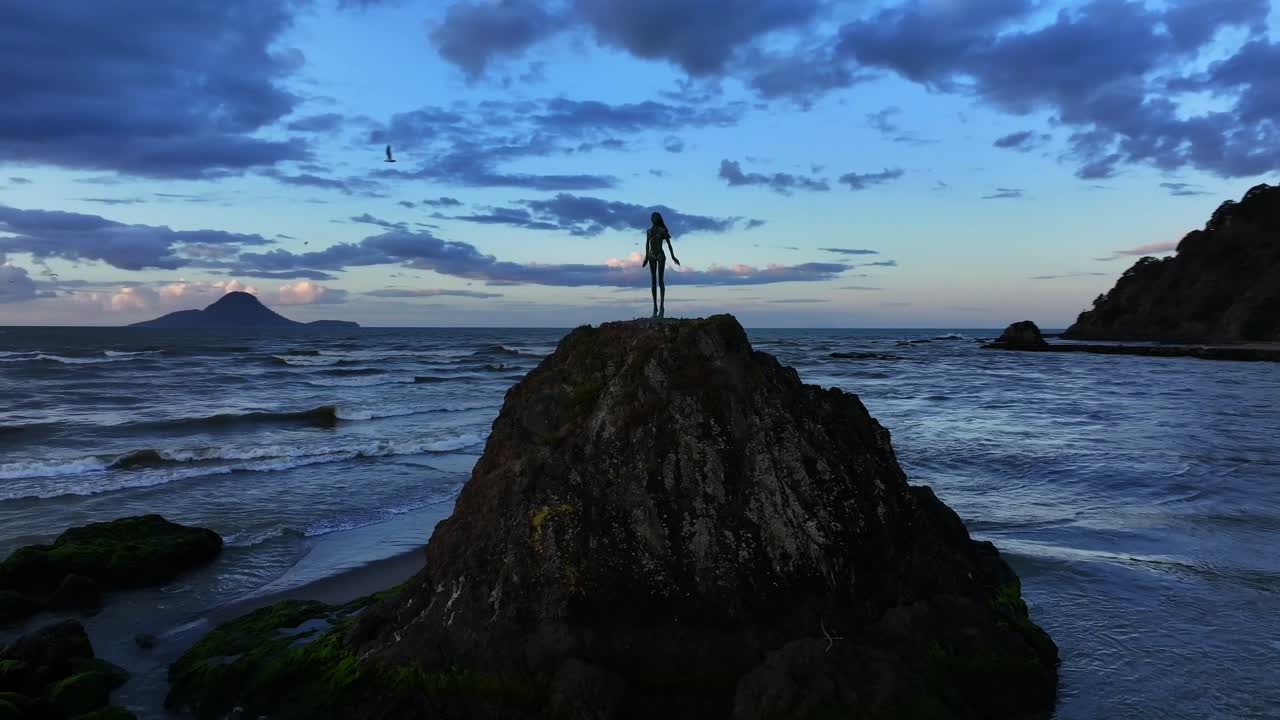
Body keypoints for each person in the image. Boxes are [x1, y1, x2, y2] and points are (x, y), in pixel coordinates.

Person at [641, 211, 679, 318]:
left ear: (658, 219)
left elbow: (669, 245)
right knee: (653, 282)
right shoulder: (648, 231)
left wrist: (673, 257)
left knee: (660, 281)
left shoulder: (662, 230)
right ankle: (655, 308)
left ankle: (662, 308)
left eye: (655, 217)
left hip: (660, 255)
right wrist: (646, 257)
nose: (653, 218)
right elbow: (647, 244)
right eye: (652, 217)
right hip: (652, 255)